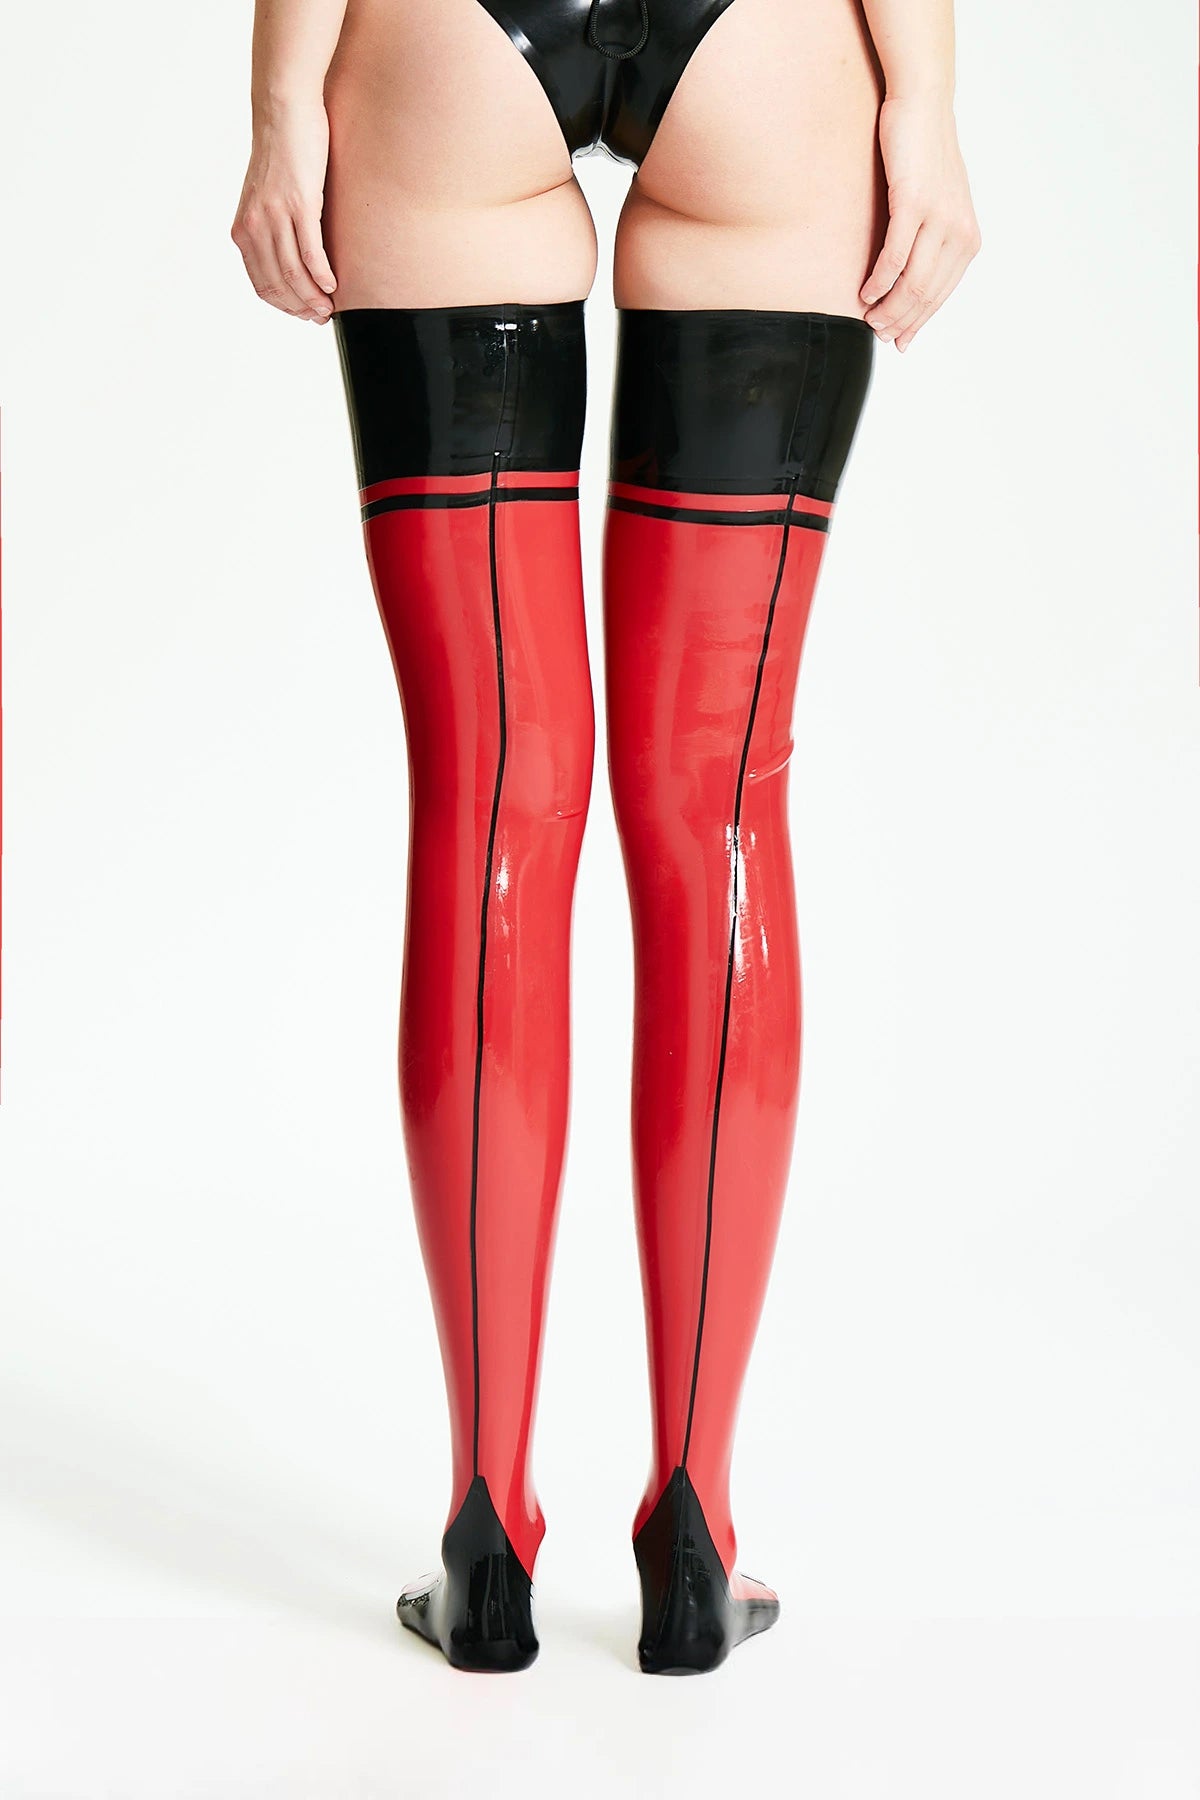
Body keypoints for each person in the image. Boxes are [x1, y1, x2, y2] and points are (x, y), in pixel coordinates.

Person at [230, 0, 981, 1676]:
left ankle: (486, 1530)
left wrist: (282, 99)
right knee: (719, 801)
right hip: (766, 51)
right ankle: (696, 1528)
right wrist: (922, 97)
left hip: (448, 45)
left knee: (492, 795)